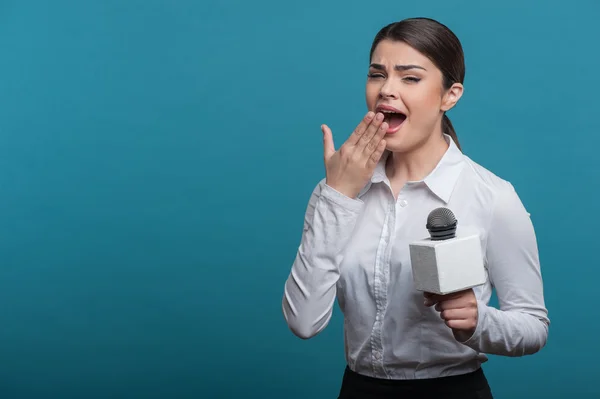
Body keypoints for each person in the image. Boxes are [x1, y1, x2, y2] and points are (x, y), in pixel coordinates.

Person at [281, 17, 550, 399]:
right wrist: (337, 197)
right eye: (377, 74)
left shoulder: (492, 197)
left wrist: (480, 322)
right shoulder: (336, 192)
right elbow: (304, 322)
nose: (386, 90)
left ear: (450, 95)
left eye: (410, 78)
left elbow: (533, 326)